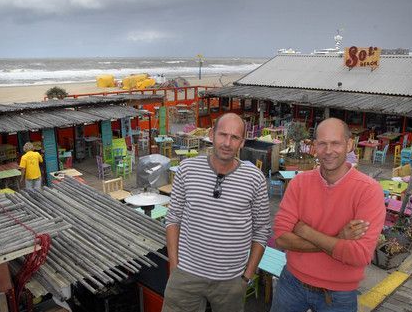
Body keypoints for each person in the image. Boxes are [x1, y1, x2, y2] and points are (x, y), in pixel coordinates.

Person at [271, 118, 386, 312]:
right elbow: (281, 238)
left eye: (336, 143)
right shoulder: (300, 183)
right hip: (291, 282)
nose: (328, 150)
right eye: (322, 143)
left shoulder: (368, 191)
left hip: (339, 295)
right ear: (314, 146)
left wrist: (304, 230)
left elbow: (358, 255)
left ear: (349, 145)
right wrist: (338, 239)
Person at [162, 113, 271, 312]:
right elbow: (173, 219)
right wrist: (175, 267)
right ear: (211, 135)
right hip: (186, 275)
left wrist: (247, 276)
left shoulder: (254, 179)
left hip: (230, 281)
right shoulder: (187, 169)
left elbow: (262, 231)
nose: (227, 143)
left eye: (235, 137)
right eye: (223, 135)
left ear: (242, 142)